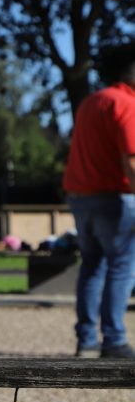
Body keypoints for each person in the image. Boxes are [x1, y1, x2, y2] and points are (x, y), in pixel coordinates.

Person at [62, 42, 135, 359]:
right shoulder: (126, 104)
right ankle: (115, 339)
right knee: (121, 268)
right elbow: (131, 160)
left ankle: (87, 338)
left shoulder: (91, 102)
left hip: (81, 197)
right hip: (114, 199)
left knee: (91, 266)